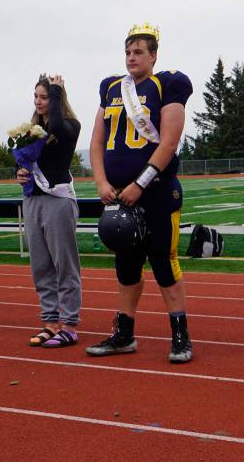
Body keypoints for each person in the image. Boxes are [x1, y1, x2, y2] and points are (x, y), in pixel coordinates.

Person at [87, 23, 195, 364]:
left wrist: (140, 183)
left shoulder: (168, 84)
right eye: (128, 52)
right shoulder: (111, 88)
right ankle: (124, 333)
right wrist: (102, 183)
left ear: (154, 55)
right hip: (119, 193)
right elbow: (97, 141)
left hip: (157, 191)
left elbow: (169, 141)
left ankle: (180, 337)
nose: (132, 58)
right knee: (126, 266)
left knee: (164, 261)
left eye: (139, 52)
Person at [15, 74, 82, 348]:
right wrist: (18, 172)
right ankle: (50, 321)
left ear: (56, 98)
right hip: (34, 201)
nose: (39, 101)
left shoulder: (68, 126)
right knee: (40, 266)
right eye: (36, 96)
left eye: (45, 97)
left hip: (58, 200)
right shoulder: (29, 131)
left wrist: (57, 90)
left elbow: (55, 123)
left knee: (64, 265)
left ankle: (69, 325)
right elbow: (25, 161)